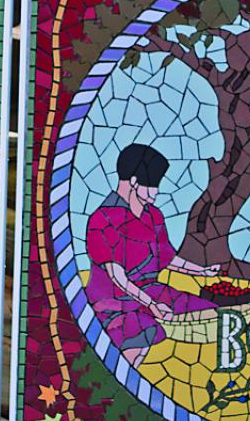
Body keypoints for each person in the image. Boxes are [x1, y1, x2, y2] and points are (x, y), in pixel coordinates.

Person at [84, 144, 222, 368]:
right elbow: (117, 277)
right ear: (135, 182)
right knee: (143, 331)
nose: (156, 193)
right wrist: (152, 305)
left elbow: (167, 258)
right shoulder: (102, 219)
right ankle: (116, 379)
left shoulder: (154, 216)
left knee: (207, 311)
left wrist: (201, 271)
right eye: (153, 185)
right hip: (113, 301)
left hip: (153, 290)